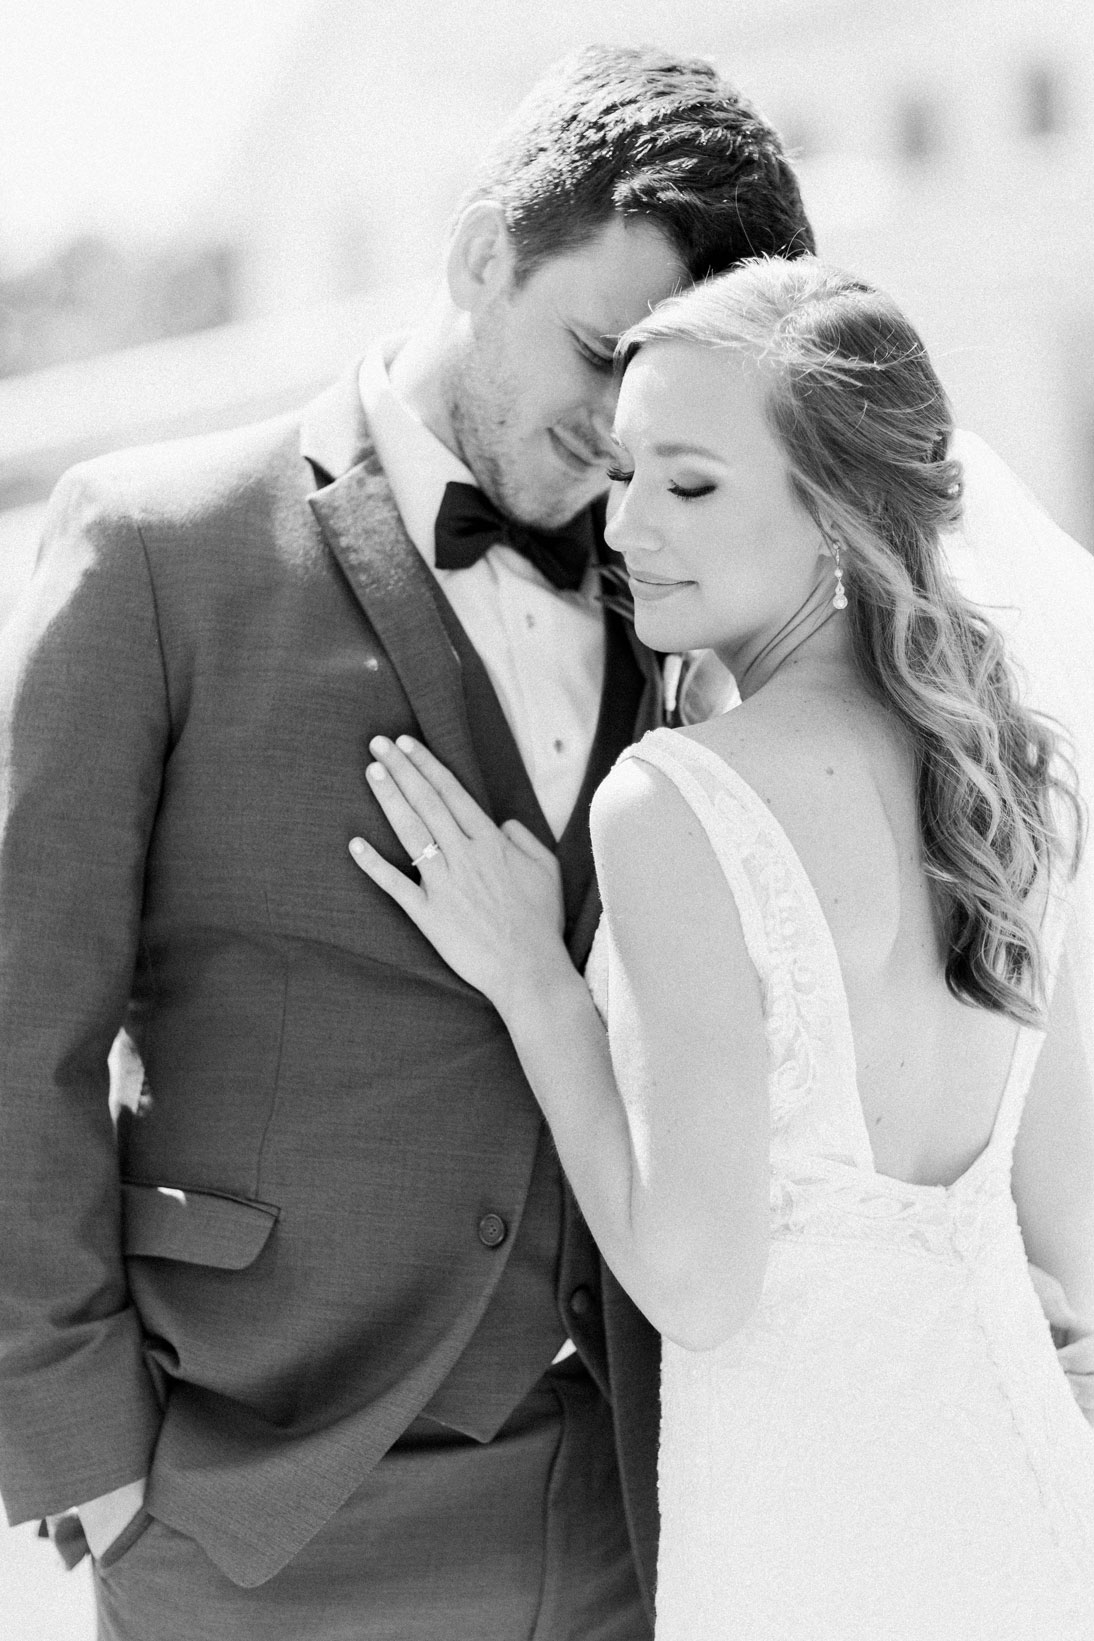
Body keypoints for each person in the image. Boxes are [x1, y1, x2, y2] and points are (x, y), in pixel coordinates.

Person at [0, 45, 815, 1641]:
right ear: (473, 254)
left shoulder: (691, 595)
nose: (615, 438)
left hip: (628, 1518)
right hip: (254, 1511)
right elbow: (20, 1024)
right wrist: (85, 1461)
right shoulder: (155, 549)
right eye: (595, 353)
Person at [351, 256, 1094, 1639]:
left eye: (688, 485)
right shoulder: (1006, 767)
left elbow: (696, 1281)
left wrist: (534, 985)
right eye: (624, 471)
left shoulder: (680, 798)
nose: (625, 525)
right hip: (1019, 1492)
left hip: (804, 1526)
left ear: (837, 509)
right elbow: (1070, 1225)